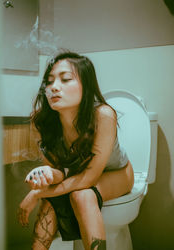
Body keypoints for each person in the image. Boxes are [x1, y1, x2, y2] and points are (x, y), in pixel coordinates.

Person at [18, 50, 134, 250]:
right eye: (50, 81)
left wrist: (36, 194)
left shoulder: (103, 115)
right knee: (51, 201)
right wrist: (46, 176)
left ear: (85, 86)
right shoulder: (42, 122)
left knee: (82, 195)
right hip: (77, 175)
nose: (54, 87)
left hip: (117, 173)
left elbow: (89, 177)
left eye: (65, 79)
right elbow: (59, 174)